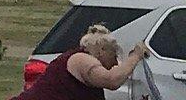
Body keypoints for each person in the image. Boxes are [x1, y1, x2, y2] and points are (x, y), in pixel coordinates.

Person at [23, 25, 153, 100]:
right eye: (114, 55)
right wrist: (135, 56)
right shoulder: (80, 59)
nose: (115, 63)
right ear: (102, 50)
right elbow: (112, 80)